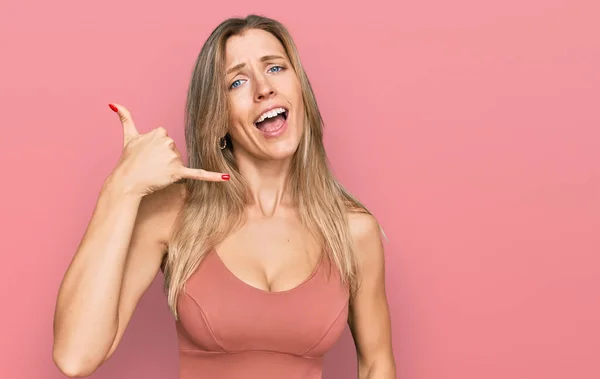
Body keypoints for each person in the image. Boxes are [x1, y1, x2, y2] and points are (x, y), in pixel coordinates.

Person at [52, 14, 396, 379]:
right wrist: (121, 186)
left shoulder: (354, 231)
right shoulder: (174, 213)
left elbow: (377, 363)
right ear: (218, 117)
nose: (263, 88)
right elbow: (75, 357)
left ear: (300, 89)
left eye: (276, 67)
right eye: (238, 81)